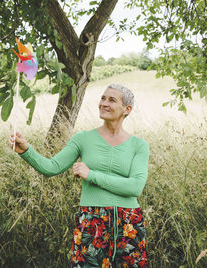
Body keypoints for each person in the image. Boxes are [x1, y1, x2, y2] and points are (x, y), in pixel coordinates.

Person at [9, 84, 150, 268]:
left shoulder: (139, 145)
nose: (104, 103)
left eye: (112, 100)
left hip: (129, 222)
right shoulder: (82, 139)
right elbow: (51, 167)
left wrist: (91, 175)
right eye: (103, 98)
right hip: (92, 220)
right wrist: (26, 150)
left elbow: (135, 187)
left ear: (127, 109)